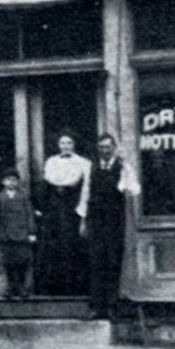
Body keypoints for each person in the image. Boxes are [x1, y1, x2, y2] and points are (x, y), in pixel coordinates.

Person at [86, 133, 140, 319]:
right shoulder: (91, 167)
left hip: (115, 220)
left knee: (113, 260)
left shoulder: (123, 167)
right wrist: (83, 220)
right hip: (96, 220)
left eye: (108, 147)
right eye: (101, 147)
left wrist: (125, 169)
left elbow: (134, 188)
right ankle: (97, 306)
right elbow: (85, 194)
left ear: (114, 147)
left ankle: (112, 306)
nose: (105, 150)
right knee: (96, 261)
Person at [36, 132, 91, 296]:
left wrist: (83, 213)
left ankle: (75, 288)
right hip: (54, 210)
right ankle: (53, 288)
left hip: (72, 208)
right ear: (58, 145)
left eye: (69, 142)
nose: (65, 146)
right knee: (53, 246)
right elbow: (48, 183)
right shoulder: (52, 162)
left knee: (72, 246)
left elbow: (86, 188)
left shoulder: (83, 163)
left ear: (74, 144)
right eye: (62, 143)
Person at [0, 168, 37, 299]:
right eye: (8, 180)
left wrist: (32, 232)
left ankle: (21, 287)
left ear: (18, 182)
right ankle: (11, 287)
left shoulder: (23, 196)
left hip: (22, 234)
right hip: (5, 235)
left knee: (22, 261)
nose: (11, 182)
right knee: (8, 262)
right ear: (3, 182)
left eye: (14, 180)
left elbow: (29, 215)